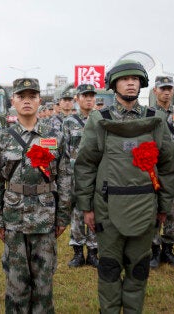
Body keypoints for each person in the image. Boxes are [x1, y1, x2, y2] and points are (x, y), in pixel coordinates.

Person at [74, 60, 174, 313]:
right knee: (109, 267)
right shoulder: (99, 120)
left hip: (145, 206)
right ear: (114, 84)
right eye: (124, 79)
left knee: (138, 266)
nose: (130, 83)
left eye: (135, 79)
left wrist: (163, 205)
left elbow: (167, 166)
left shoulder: (155, 120)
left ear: (141, 84)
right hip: (107, 209)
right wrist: (86, 207)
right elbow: (86, 165)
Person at [0, 78, 71, 313]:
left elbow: (64, 179)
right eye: (21, 96)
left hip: (45, 220)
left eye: (32, 96)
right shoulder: (2, 138)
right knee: (16, 285)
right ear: (13, 100)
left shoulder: (55, 137)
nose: (26, 101)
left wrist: (63, 218)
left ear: (39, 100)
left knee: (43, 286)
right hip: (14, 220)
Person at [150, 76, 174, 269]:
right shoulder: (148, 115)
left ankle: (168, 249)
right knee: (155, 208)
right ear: (155, 91)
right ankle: (154, 250)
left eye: (169, 88)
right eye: (162, 88)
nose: (166, 92)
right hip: (154, 169)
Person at [64, 83, 99, 268]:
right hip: (75, 174)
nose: (89, 99)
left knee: (96, 209)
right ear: (77, 99)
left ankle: (93, 251)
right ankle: (78, 251)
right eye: (85, 95)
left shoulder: (100, 120)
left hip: (97, 173)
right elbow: (64, 149)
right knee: (77, 211)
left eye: (92, 96)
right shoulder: (69, 122)